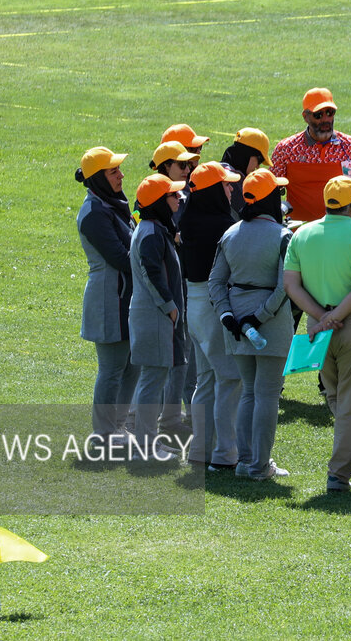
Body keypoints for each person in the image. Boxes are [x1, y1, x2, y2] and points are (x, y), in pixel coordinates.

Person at [282, 177, 351, 493]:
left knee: (334, 395)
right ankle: (339, 474)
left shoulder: (302, 234)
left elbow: (291, 285)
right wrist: (335, 317)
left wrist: (321, 318)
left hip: (318, 327)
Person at [208, 168, 295, 480]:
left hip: (236, 323)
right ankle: (259, 465)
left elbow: (215, 282)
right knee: (267, 394)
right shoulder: (284, 236)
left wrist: (227, 315)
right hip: (268, 322)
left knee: (248, 392)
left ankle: (245, 463)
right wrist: (259, 316)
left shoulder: (229, 235)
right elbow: (285, 286)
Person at [180, 161, 244, 471]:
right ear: (212, 192)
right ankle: (225, 454)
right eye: (226, 185)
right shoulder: (221, 226)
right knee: (230, 378)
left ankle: (200, 451)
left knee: (205, 381)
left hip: (195, 306)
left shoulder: (190, 218)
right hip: (214, 306)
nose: (232, 188)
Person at [75, 146, 139, 445]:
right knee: (113, 368)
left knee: (132, 366)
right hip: (108, 300)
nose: (121, 175)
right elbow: (120, 257)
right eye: (113, 172)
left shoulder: (112, 204)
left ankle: (118, 427)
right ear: (99, 178)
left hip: (123, 296)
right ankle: (102, 433)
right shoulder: (94, 213)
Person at [127, 173, 188, 462]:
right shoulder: (151, 232)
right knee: (153, 382)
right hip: (155, 316)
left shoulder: (154, 228)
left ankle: (147, 444)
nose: (179, 198)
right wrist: (169, 306)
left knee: (153, 380)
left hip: (155, 315)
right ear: (158, 202)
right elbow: (152, 273)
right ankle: (146, 448)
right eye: (172, 195)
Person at [148, 141, 201, 446]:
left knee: (184, 357)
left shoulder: (182, 197)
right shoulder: (158, 204)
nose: (189, 168)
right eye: (182, 165)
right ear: (166, 167)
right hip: (167, 297)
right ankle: (157, 425)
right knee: (166, 363)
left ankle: (174, 419)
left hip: (182, 291)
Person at [271, 87, 351, 223]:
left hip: (340, 233)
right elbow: (272, 189)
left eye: (330, 112)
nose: (325, 119)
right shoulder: (286, 149)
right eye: (318, 115)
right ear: (305, 117)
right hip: (300, 234)